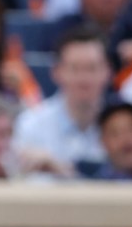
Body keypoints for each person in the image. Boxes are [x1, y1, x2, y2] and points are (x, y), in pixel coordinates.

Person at [13, 26, 113, 171]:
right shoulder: (30, 125)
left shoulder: (123, 126)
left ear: (108, 72)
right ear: (56, 72)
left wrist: (62, 169)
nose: (84, 78)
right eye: (74, 68)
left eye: (92, 68)